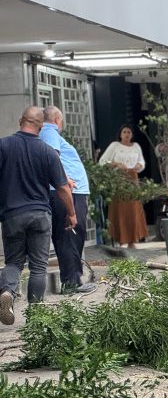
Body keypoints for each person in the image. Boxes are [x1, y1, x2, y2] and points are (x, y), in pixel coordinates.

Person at [0, 107, 77, 325]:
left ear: (20, 121)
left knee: (14, 261)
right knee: (38, 266)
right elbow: (63, 188)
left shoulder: (3, 145)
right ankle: (35, 317)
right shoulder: (46, 151)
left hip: (12, 215)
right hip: (41, 214)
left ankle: (8, 291)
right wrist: (72, 214)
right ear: (41, 126)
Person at [40, 106, 96, 294]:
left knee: (70, 235)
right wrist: (63, 179)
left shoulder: (48, 132)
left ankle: (73, 280)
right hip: (66, 192)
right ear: (57, 119)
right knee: (69, 235)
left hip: (66, 191)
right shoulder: (49, 131)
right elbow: (52, 156)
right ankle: (72, 282)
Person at [98, 124, 148, 248]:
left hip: (133, 179)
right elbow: (102, 161)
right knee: (120, 210)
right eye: (124, 132)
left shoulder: (136, 146)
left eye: (129, 132)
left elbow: (142, 161)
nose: (126, 134)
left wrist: (139, 166)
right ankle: (121, 240)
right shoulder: (114, 146)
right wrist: (115, 164)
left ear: (132, 134)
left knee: (133, 209)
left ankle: (132, 240)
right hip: (119, 180)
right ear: (120, 134)